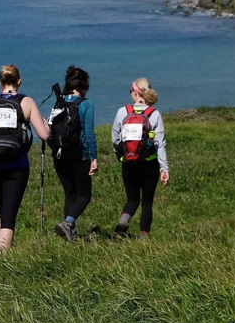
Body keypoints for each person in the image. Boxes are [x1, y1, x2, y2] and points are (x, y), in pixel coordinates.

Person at [0, 64, 50, 252]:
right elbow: (44, 135)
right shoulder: (27, 102)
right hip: (16, 165)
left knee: (2, 204)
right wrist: (44, 124)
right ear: (19, 81)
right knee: (9, 212)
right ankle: (3, 260)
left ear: (0, 82)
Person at [111, 77, 169, 239]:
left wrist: (121, 155)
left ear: (137, 92)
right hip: (149, 163)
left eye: (131, 91)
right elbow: (160, 143)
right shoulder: (154, 114)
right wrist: (164, 168)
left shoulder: (122, 112)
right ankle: (143, 238)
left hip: (129, 163)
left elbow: (115, 139)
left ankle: (123, 222)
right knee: (147, 203)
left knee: (132, 199)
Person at [51, 65, 98, 241]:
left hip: (60, 155)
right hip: (80, 155)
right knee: (84, 195)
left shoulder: (59, 101)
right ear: (84, 85)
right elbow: (89, 133)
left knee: (70, 194)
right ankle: (68, 223)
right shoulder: (86, 104)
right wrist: (93, 157)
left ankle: (69, 233)